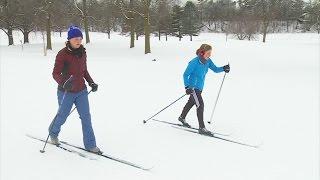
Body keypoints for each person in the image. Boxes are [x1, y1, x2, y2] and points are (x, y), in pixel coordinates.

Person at [49, 25, 101, 154]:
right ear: (69, 40)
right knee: (62, 116)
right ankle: (53, 133)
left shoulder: (82, 52)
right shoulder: (62, 54)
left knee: (86, 117)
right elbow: (55, 73)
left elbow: (84, 70)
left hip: (81, 91)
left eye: (80, 38)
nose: (78, 41)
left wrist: (91, 82)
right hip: (66, 91)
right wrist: (63, 82)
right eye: (75, 38)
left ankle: (90, 145)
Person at [178, 44, 230, 135]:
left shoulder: (208, 61)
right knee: (200, 105)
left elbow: (215, 69)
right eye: (208, 53)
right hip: (193, 88)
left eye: (210, 53)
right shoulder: (194, 62)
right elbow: (185, 75)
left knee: (191, 102)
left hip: (200, 88)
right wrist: (187, 87)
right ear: (202, 53)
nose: (209, 55)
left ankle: (182, 117)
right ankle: (202, 128)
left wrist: (224, 68)